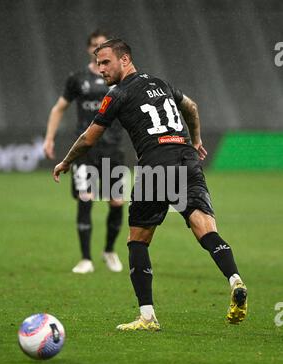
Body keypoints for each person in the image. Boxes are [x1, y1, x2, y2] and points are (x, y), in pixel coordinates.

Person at [53, 39, 248, 330]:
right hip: (187, 159)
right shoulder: (162, 83)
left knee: (137, 240)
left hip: (156, 163)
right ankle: (235, 280)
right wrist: (196, 140)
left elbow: (88, 137)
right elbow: (191, 107)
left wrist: (66, 161)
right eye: (98, 62)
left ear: (125, 59)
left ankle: (147, 316)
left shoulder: (117, 94)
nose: (100, 68)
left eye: (106, 62)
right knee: (205, 229)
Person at [44, 31, 124, 274]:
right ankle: (86, 259)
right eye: (94, 45)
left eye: (103, 45)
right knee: (86, 197)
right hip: (85, 149)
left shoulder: (120, 79)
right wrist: (49, 138)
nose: (98, 48)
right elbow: (59, 108)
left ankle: (109, 251)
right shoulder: (77, 79)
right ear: (89, 49)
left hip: (112, 148)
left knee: (116, 201)